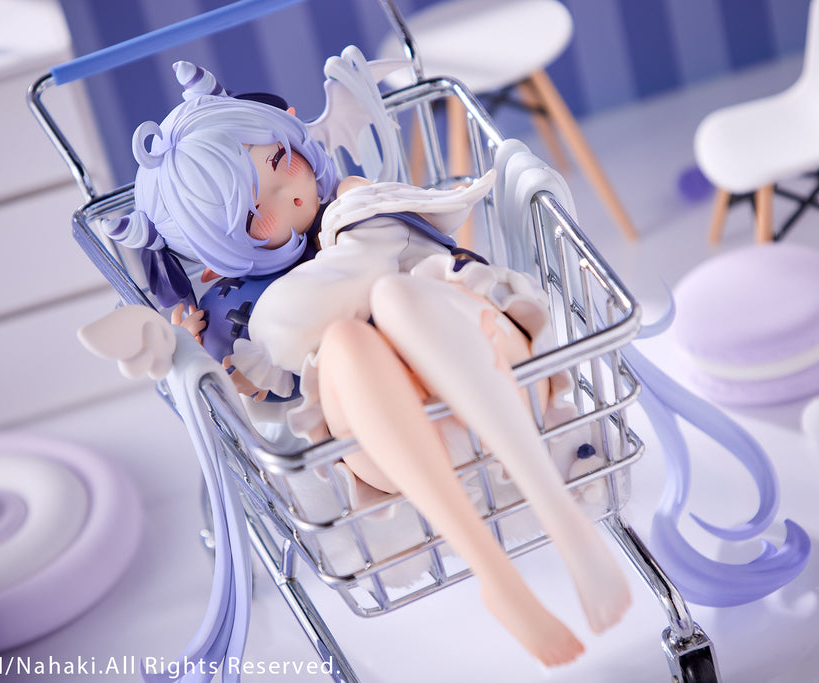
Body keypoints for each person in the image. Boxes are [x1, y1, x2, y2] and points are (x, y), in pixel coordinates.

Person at [106, 61, 630, 667]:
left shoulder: (357, 206)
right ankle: (497, 578)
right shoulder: (250, 317)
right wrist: (199, 354)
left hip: (489, 370)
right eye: (252, 215)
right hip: (396, 444)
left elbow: (365, 278)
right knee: (345, 343)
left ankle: (563, 521)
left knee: (396, 295)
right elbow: (267, 395)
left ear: (293, 135)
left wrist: (301, 304)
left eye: (278, 162)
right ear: (214, 257)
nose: (286, 196)